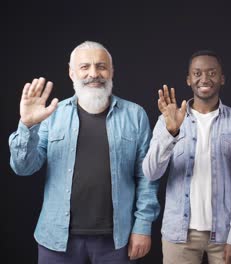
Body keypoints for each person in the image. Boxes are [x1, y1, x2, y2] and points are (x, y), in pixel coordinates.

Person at [8, 41, 160, 264]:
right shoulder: (52, 115)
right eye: (84, 67)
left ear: (112, 71)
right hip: (57, 239)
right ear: (71, 73)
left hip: (117, 240)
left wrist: (143, 226)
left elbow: (146, 176)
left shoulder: (135, 115)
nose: (94, 74)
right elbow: (23, 168)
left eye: (101, 66)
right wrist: (27, 125)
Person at [142, 50, 231, 264]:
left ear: (222, 78)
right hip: (179, 234)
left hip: (225, 234)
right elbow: (150, 172)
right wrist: (171, 133)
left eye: (212, 73)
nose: (204, 79)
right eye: (197, 73)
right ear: (188, 79)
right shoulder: (169, 119)